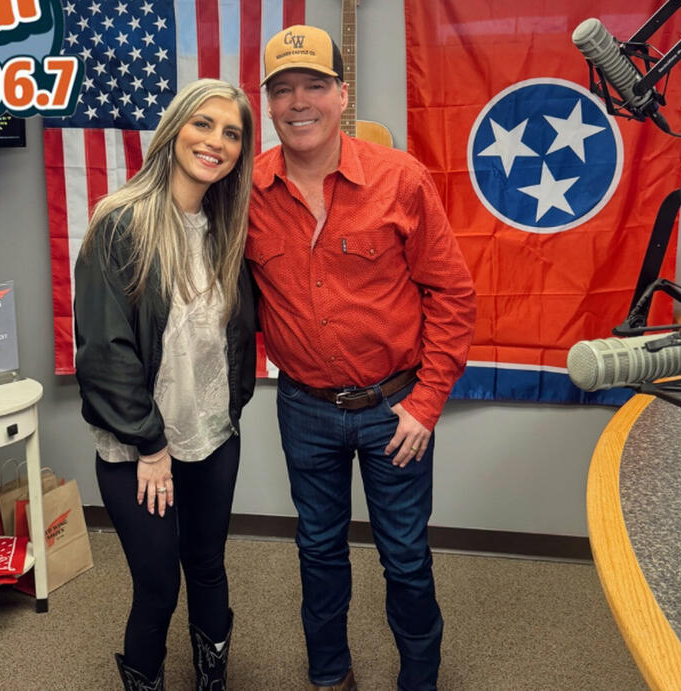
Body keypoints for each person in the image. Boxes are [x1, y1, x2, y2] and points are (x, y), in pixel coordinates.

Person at [247, 25, 477, 691]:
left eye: (314, 86)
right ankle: (329, 675)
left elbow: (453, 294)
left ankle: (420, 680)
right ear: (267, 102)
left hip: (395, 408)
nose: (299, 102)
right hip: (305, 407)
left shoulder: (400, 179)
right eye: (283, 90)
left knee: (404, 555)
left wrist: (426, 405)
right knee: (318, 550)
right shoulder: (247, 190)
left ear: (342, 94)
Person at [73, 78, 257, 691]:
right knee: (158, 585)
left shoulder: (227, 230)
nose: (215, 142)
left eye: (232, 133)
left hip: (212, 436)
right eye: (203, 124)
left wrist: (230, 409)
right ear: (175, 129)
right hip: (140, 450)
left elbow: (230, 339)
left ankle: (212, 678)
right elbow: (105, 352)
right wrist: (150, 444)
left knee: (207, 565)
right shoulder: (120, 222)